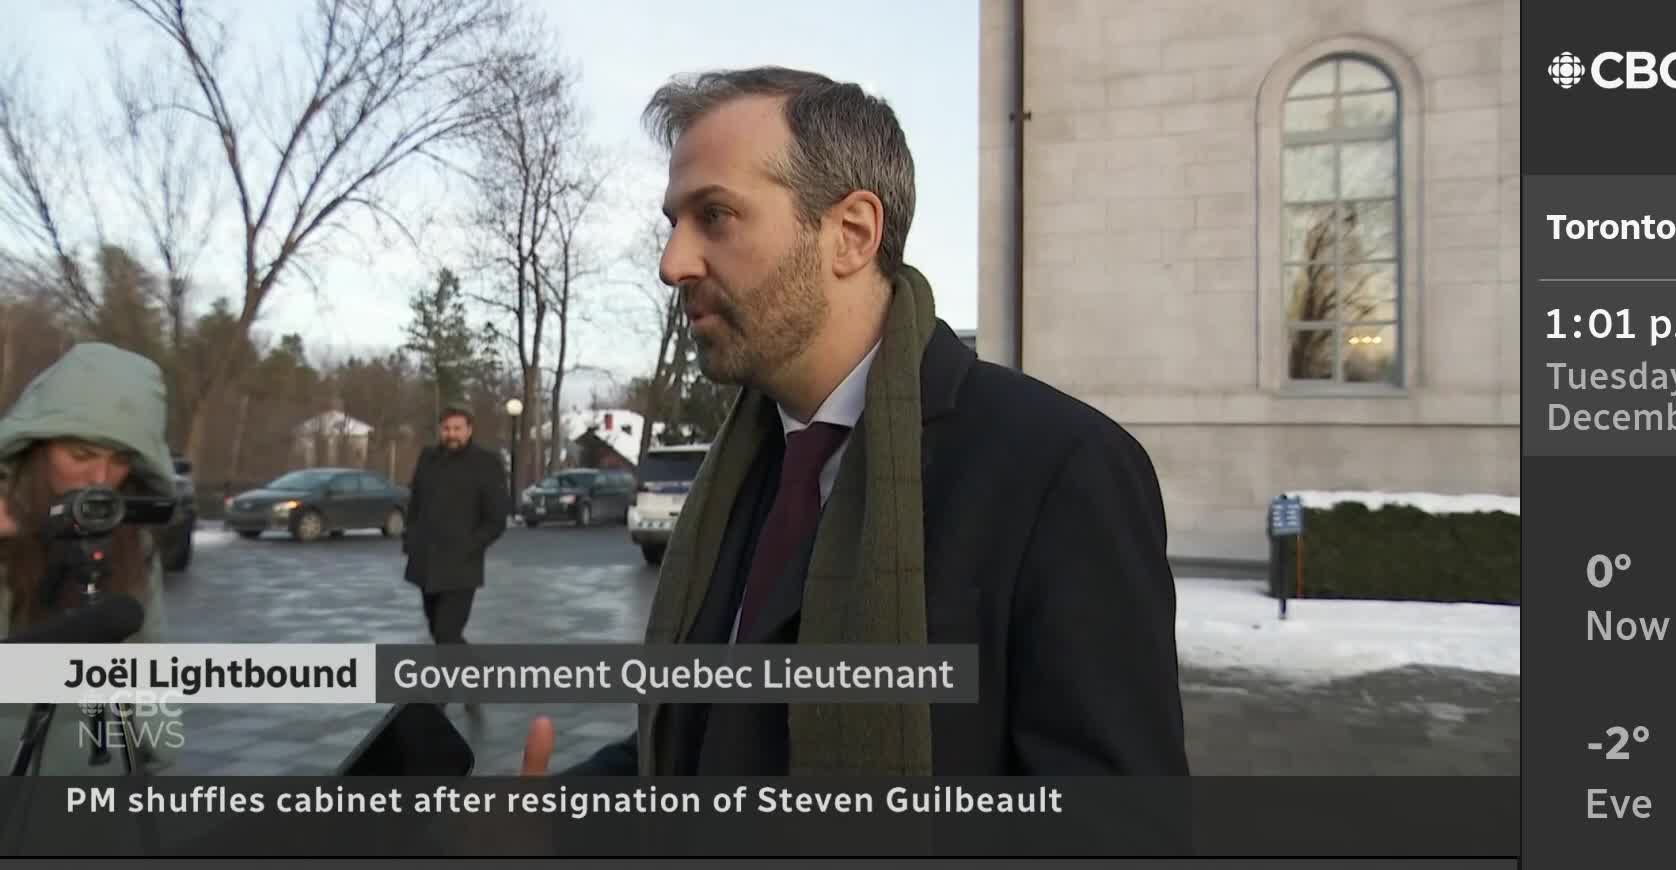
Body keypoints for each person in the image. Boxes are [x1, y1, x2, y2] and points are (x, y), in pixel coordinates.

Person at [523, 67, 1187, 777]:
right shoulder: (742, 472)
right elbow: (703, 743)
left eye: (714, 216)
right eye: (674, 223)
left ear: (851, 233)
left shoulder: (1059, 472)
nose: (673, 262)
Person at [0, 343, 178, 775]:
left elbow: (149, 675)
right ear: (37, 449)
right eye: (79, 456)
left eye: (119, 462)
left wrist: (160, 770)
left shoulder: (133, 544)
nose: (99, 480)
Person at [403, 405, 508, 721]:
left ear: (470, 429)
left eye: (457, 428)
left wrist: (470, 547)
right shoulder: (428, 458)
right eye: (447, 428)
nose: (451, 434)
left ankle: (440, 698)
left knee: (448, 633)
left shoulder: (486, 463)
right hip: (425, 564)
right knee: (440, 633)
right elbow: (415, 502)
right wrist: (410, 539)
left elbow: (496, 519)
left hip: (461, 567)